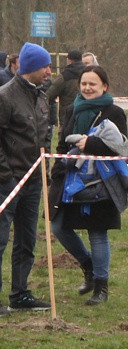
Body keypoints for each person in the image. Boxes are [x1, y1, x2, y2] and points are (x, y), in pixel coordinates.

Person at [49, 66, 128, 305]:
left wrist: (90, 145)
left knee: (97, 232)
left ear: (104, 86)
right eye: (84, 84)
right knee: (58, 226)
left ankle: (101, 287)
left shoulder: (114, 112)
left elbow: (121, 149)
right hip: (69, 181)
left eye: (93, 84)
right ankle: (88, 266)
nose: (87, 88)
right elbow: (62, 143)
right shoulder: (71, 110)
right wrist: (57, 168)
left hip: (102, 182)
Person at [0, 43, 53, 314]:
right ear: (30, 67)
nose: (49, 71)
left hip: (34, 181)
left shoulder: (42, 97)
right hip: (8, 183)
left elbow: (45, 136)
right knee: (1, 239)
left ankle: (20, 294)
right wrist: (6, 176)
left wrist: (45, 170)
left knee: (27, 240)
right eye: (45, 66)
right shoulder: (5, 96)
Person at [46, 49, 85, 128]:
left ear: (68, 60)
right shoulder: (89, 73)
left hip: (67, 119)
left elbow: (49, 95)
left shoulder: (64, 76)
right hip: (86, 117)